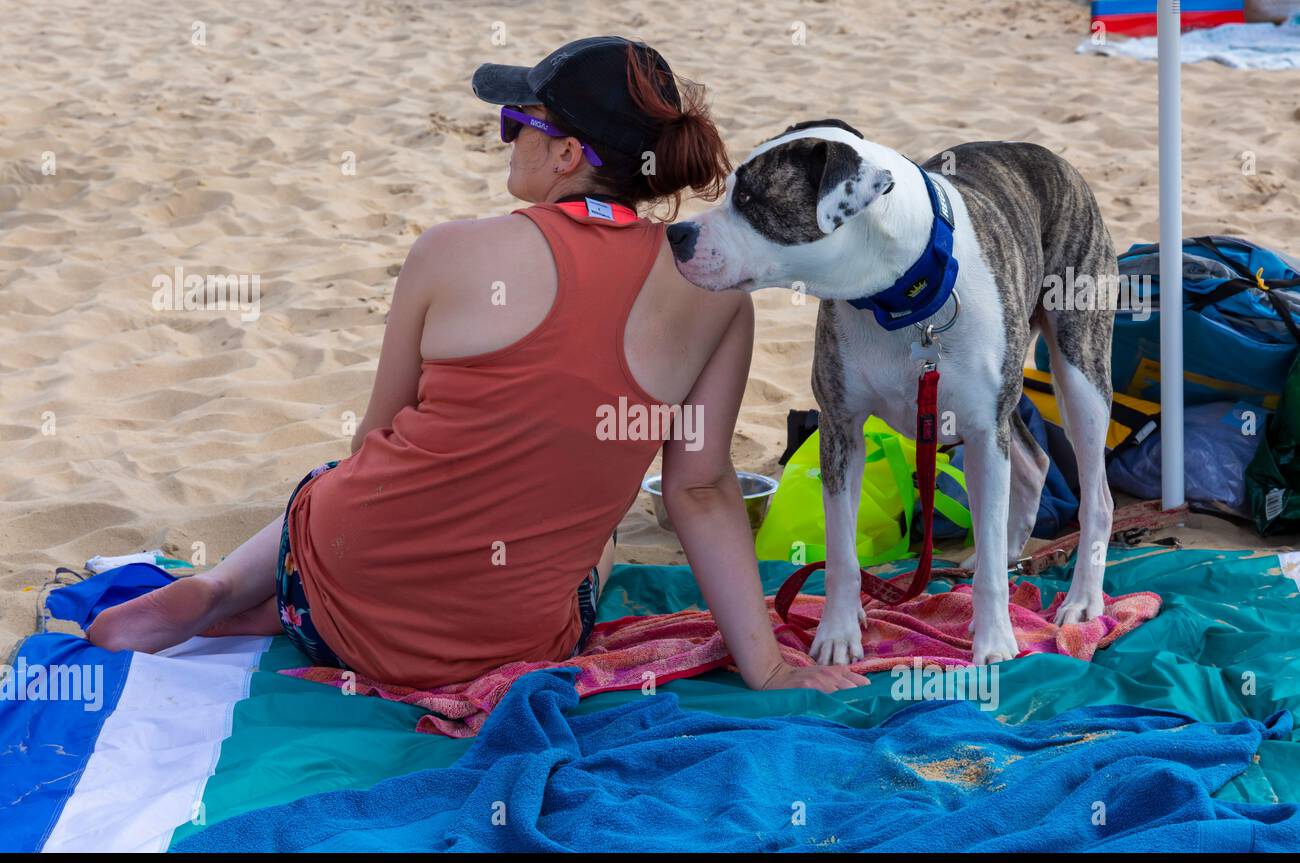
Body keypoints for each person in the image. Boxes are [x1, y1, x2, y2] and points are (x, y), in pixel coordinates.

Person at [88, 36, 866, 694]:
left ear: (566, 154)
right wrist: (765, 663)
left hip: (347, 580)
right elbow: (698, 489)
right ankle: (262, 606)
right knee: (597, 539)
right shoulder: (717, 294)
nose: (505, 136)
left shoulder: (449, 252)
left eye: (514, 122)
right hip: (508, 643)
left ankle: (228, 588)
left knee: (335, 480)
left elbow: (376, 439)